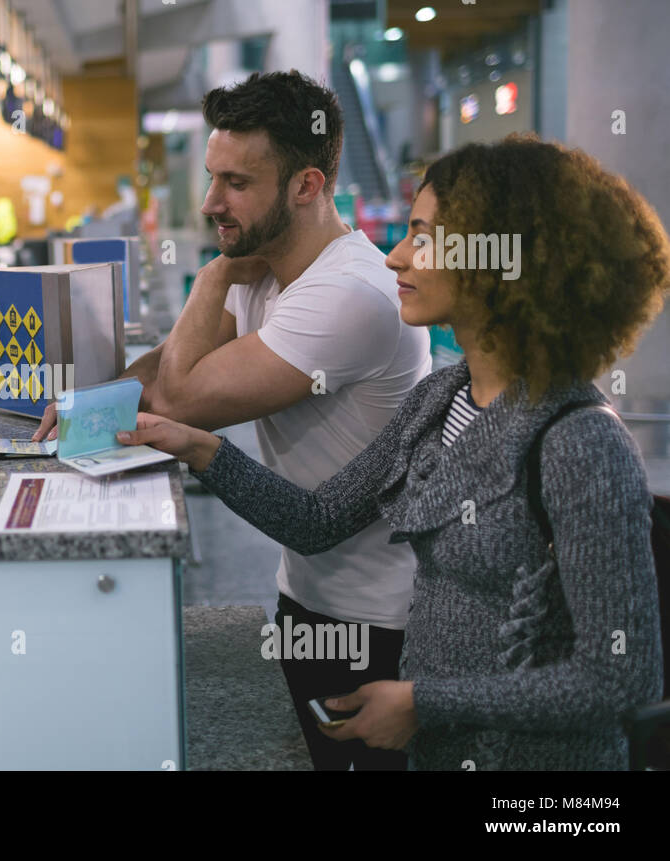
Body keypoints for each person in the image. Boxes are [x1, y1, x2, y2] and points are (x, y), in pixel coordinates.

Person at [118, 135, 668, 769]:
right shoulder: (441, 397)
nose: (396, 257)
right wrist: (196, 448)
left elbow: (620, 678)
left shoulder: (582, 443)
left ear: (503, 262)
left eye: (423, 236)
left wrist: (426, 702)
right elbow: (318, 521)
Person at [35, 70, 431, 770]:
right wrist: (82, 407)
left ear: (307, 185)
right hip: (305, 590)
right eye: (213, 176)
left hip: (380, 621)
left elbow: (179, 400)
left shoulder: (346, 295)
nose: (213, 201)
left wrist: (216, 273)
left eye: (237, 183)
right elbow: (161, 372)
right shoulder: (273, 269)